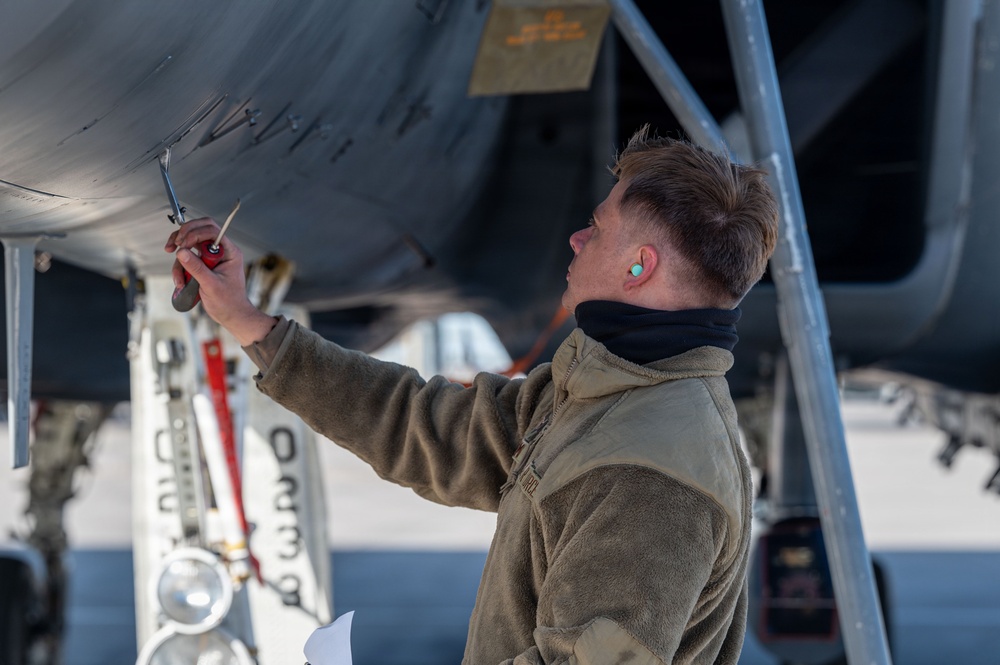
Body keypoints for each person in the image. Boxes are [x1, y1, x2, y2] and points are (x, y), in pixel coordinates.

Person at [165, 127, 779, 664]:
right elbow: (427, 429)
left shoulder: (651, 471)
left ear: (639, 267)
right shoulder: (608, 392)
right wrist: (249, 322)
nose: (574, 239)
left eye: (596, 228)